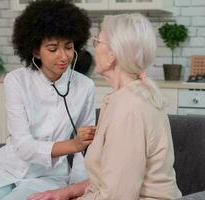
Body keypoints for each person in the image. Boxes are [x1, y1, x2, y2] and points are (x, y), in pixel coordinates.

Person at [28, 13, 182, 200]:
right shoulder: (123, 97)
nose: (93, 49)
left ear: (111, 56)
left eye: (97, 42)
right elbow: (109, 179)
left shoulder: (129, 109)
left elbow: (117, 195)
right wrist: (67, 192)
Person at [0, 0, 96, 199]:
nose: (63, 57)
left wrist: (75, 189)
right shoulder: (16, 81)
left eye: (68, 47)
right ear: (36, 51)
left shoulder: (85, 86)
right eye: (53, 49)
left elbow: (85, 149)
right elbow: (23, 145)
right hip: (4, 170)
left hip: (47, 178)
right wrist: (73, 144)